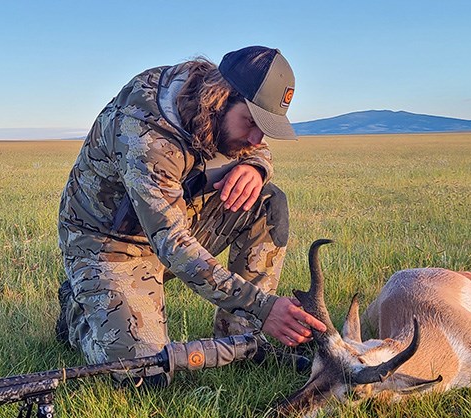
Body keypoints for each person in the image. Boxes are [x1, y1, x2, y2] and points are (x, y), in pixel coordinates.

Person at [56, 46, 326, 385]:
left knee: (267, 201)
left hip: (174, 221)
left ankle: (243, 339)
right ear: (220, 97)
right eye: (252, 123)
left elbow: (257, 147)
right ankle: (78, 313)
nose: (257, 138)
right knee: (144, 375)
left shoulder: (219, 112)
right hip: (109, 244)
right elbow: (175, 245)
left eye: (265, 128)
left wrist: (257, 167)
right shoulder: (146, 134)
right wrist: (263, 305)